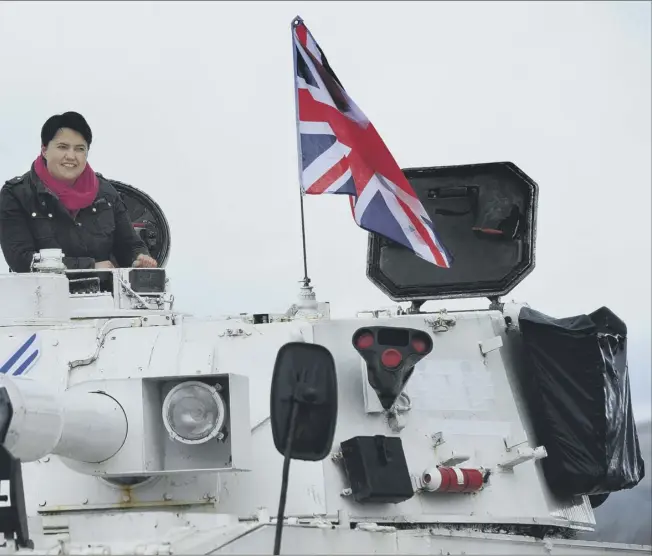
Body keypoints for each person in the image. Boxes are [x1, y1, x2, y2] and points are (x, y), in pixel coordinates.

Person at [0, 111, 158, 273]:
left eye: (79, 149)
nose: (71, 156)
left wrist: (139, 257)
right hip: (39, 295)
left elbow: (130, 245)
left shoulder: (106, 193)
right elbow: (20, 259)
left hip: (103, 295)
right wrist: (89, 267)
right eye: (63, 147)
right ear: (45, 150)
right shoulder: (16, 194)